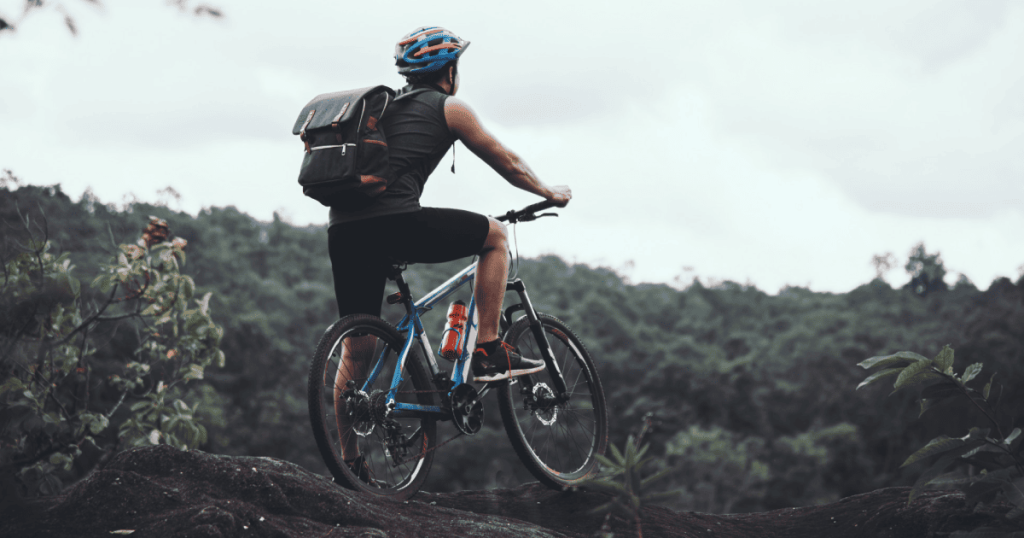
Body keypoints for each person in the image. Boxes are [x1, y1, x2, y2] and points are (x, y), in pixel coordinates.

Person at [327, 24, 571, 403]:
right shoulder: (450, 107)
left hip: (343, 230)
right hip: (395, 222)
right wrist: (548, 192)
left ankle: (348, 459)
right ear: (450, 70)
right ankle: (488, 350)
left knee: (356, 348)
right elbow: (507, 162)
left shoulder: (381, 109)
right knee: (494, 236)